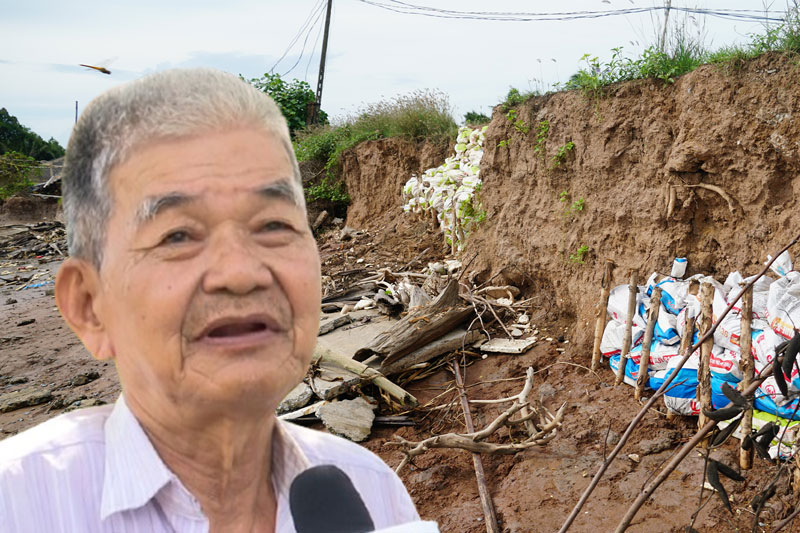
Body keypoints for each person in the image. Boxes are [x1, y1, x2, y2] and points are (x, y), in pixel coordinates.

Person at [0, 68, 420, 532]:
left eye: (274, 225)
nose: (241, 273)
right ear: (89, 306)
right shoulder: (18, 502)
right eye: (178, 235)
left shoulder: (373, 492)